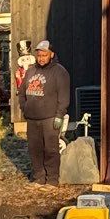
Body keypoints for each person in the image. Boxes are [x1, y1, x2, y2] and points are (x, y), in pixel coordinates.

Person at [17, 39, 70, 184]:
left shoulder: (60, 72)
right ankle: (39, 178)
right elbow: (21, 93)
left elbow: (64, 96)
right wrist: (24, 108)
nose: (41, 58)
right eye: (39, 55)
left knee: (51, 150)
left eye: (44, 55)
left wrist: (60, 115)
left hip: (50, 118)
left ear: (51, 55)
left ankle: (52, 180)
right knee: (35, 150)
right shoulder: (31, 71)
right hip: (32, 118)